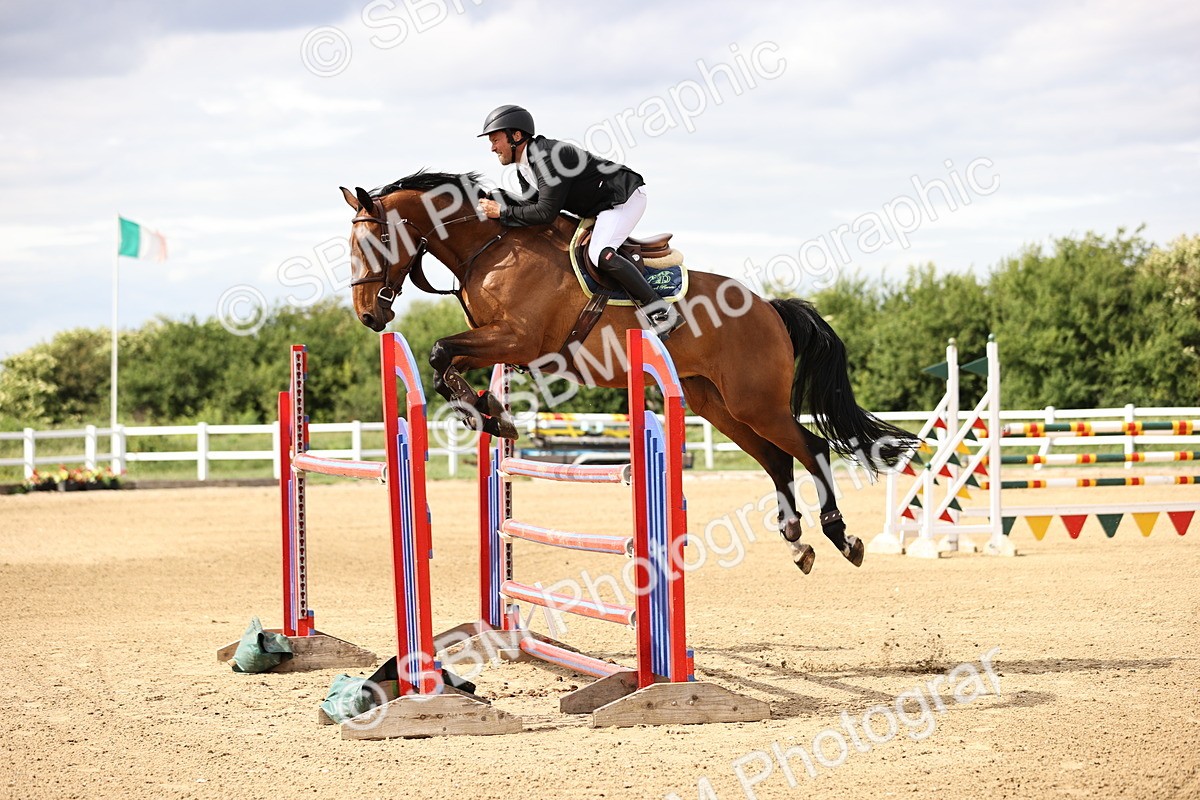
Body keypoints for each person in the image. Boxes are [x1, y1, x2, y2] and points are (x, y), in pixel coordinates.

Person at [475, 104, 678, 336]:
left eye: (495, 140)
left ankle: (662, 311)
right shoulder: (524, 167)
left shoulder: (547, 157)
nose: (492, 148)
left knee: (599, 253)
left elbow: (545, 213)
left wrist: (501, 212)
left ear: (516, 136)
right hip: (599, 208)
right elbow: (531, 208)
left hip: (622, 198)